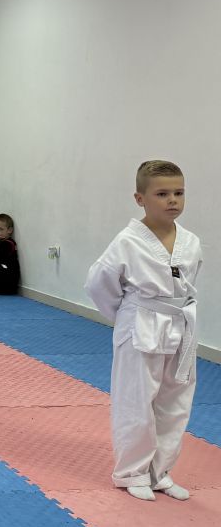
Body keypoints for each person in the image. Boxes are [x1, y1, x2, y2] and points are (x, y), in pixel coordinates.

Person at [86, 160, 201, 502]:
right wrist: (125, 314)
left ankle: (159, 472)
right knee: (136, 401)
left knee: (175, 402)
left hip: (180, 325)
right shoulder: (127, 241)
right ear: (140, 199)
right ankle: (132, 472)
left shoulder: (191, 241)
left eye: (179, 192)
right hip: (140, 323)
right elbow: (98, 284)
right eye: (162, 194)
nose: (172, 200)